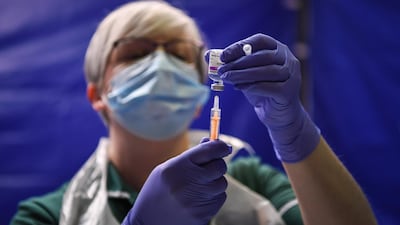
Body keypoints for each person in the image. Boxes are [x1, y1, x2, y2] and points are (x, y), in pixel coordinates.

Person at [10, 1, 377, 225]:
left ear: (200, 95)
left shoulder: (249, 180)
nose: (160, 64)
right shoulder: (51, 215)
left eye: (180, 54)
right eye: (135, 53)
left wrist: (295, 132)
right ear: (97, 94)